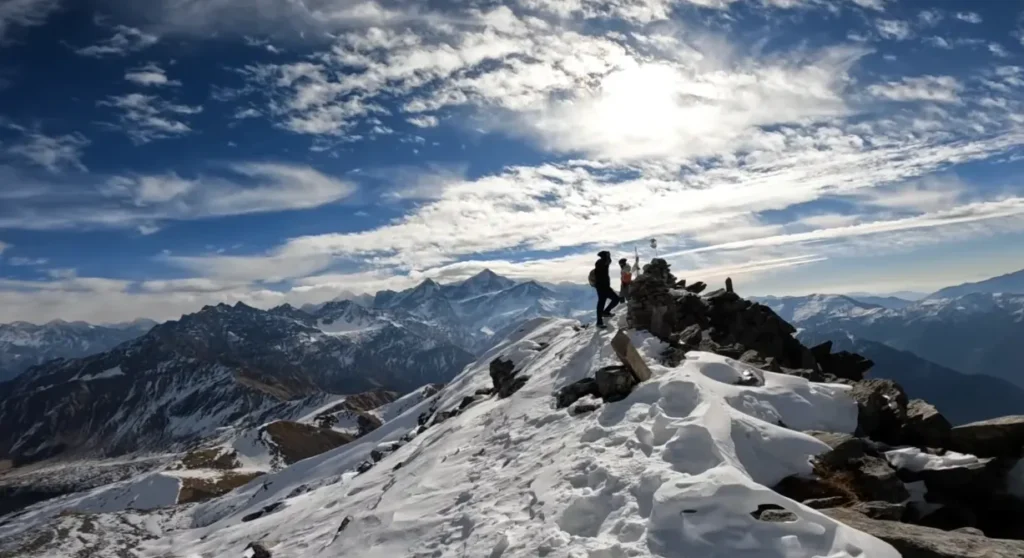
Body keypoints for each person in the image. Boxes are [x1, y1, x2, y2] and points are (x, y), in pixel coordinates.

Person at [592, 251, 620, 327]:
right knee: (602, 302)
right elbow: (608, 261)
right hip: (601, 287)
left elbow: (608, 262)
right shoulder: (601, 262)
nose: (609, 258)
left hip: (605, 286)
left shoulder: (602, 262)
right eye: (608, 256)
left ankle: (606, 312)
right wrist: (607, 257)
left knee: (615, 299)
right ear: (605, 256)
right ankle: (599, 322)